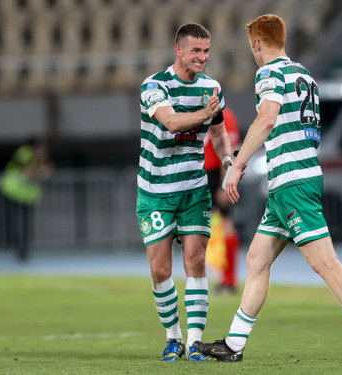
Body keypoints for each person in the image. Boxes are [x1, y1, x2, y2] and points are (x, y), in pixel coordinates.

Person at [194, 14, 342, 362]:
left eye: (251, 46)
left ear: (257, 44)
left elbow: (268, 119)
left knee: (325, 263)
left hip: (292, 182)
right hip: (293, 178)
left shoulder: (268, 73)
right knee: (256, 259)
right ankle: (234, 345)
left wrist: (237, 166)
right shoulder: (304, 75)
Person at [136, 22, 233, 361]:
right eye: (196, 50)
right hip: (156, 191)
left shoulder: (212, 88)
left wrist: (228, 161)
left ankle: (194, 343)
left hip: (193, 189)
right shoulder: (154, 86)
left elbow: (219, 134)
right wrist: (205, 113)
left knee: (195, 261)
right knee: (160, 270)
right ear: (178, 50)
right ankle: (173, 337)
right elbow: (172, 122)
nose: (202, 57)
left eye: (206, 51)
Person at [203, 107, 242, 294]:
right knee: (215, 227)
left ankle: (229, 280)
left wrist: (224, 184)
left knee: (225, 224)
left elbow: (232, 151)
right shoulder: (202, 113)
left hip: (217, 175)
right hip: (206, 174)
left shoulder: (225, 116)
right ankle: (223, 278)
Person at [0, 138, 53, 261]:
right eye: (43, 148)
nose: (45, 151)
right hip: (12, 192)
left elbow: (44, 170)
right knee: (13, 223)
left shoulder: (36, 158)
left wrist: (42, 171)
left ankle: (23, 251)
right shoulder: (25, 153)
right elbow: (31, 174)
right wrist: (42, 172)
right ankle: (17, 250)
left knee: (25, 224)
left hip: (25, 196)